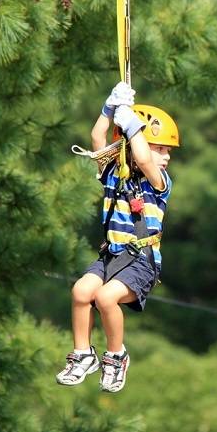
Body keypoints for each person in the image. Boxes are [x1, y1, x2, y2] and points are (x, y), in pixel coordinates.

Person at [56, 82, 180, 392]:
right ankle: (84, 354)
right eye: (161, 148)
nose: (166, 157)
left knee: (105, 297)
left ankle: (116, 356)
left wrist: (132, 126)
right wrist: (109, 109)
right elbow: (98, 138)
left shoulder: (158, 182)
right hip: (112, 255)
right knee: (82, 291)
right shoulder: (113, 171)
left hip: (142, 263)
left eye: (168, 151)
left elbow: (145, 160)